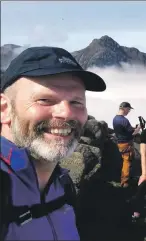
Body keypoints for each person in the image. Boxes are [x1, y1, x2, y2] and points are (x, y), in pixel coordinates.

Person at [0, 46, 106, 240]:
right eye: (45, 99)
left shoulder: (62, 185)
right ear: (4, 110)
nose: (66, 113)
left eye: (76, 102)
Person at [113, 102, 141, 187]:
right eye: (128, 109)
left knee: (125, 161)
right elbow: (132, 134)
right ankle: (124, 182)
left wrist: (133, 128)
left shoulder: (115, 119)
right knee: (127, 163)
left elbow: (125, 129)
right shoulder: (124, 120)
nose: (128, 111)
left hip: (120, 142)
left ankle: (125, 179)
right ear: (124, 108)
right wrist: (138, 128)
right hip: (126, 144)